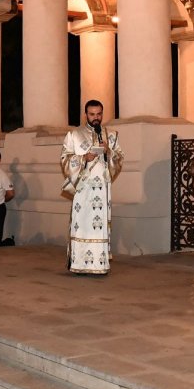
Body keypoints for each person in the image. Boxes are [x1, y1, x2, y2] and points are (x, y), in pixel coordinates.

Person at [60, 100, 124, 275]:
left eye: (99, 114)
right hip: (83, 189)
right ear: (86, 115)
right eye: (92, 114)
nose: (96, 117)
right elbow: (64, 158)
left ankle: (99, 265)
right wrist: (83, 158)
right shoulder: (74, 134)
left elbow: (119, 159)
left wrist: (108, 152)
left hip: (102, 190)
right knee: (81, 224)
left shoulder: (111, 135)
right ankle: (79, 263)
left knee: (99, 226)